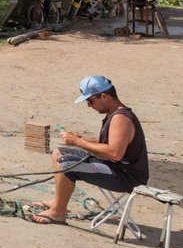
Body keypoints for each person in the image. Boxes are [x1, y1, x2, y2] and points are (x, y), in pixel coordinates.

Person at [27, 75, 149, 225]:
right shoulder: (114, 114)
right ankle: (57, 201)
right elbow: (108, 142)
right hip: (115, 167)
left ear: (103, 96)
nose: (89, 106)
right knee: (59, 153)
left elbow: (115, 153)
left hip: (126, 177)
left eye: (90, 101)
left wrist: (79, 142)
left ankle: (58, 213)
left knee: (66, 164)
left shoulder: (121, 118)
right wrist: (82, 139)